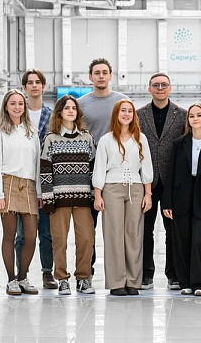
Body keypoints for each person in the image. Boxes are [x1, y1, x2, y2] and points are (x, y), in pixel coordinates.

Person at [92, 99, 153, 296]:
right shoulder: (106, 140)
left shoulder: (140, 139)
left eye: (130, 111)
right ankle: (117, 282)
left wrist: (148, 194)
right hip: (111, 188)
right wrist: (98, 195)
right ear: (116, 114)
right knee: (114, 234)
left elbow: (147, 167)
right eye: (123, 111)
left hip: (135, 188)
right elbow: (99, 168)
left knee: (134, 234)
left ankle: (133, 281)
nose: (126, 114)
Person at [161, 104, 201, 296]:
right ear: (188, 120)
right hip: (180, 198)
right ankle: (185, 282)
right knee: (182, 241)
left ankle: (200, 284)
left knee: (198, 241)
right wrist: (167, 202)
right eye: (191, 116)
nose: (195, 119)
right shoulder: (179, 144)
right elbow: (170, 174)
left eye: (199, 115)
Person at [39, 95, 96, 295]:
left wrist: (94, 196)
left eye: (73, 108)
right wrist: (48, 199)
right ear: (59, 112)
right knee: (60, 241)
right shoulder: (51, 139)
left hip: (83, 199)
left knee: (86, 239)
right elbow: (45, 170)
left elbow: (93, 169)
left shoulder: (87, 138)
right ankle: (62, 279)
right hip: (59, 200)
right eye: (66, 108)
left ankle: (83, 278)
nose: (71, 111)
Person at [77, 58, 129, 278]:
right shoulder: (80, 104)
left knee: (118, 228)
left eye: (104, 72)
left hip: (117, 171)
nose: (101, 76)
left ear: (110, 75)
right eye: (96, 72)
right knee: (88, 228)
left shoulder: (122, 101)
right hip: (88, 171)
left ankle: (120, 274)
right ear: (90, 77)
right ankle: (86, 274)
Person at [0, 89, 41, 296]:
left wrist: (38, 192)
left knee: (31, 236)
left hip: (28, 185)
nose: (17, 107)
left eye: (20, 103)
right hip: (7, 184)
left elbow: (37, 163)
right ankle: (11, 280)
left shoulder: (31, 131)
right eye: (13, 103)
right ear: (6, 106)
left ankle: (23, 276)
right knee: (9, 235)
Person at [137, 73, 186, 290]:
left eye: (164, 85)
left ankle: (174, 275)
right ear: (149, 89)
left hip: (171, 181)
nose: (160, 88)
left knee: (173, 231)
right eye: (155, 85)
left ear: (170, 88)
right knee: (144, 230)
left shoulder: (182, 115)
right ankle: (146, 274)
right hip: (146, 181)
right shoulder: (138, 115)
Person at [14, 69, 56, 290]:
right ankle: (21, 273)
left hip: (48, 180)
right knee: (22, 233)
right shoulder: (17, 115)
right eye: (29, 82)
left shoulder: (53, 116)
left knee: (46, 232)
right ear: (24, 87)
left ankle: (47, 272)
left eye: (38, 82)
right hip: (23, 180)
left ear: (43, 86)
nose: (34, 86)